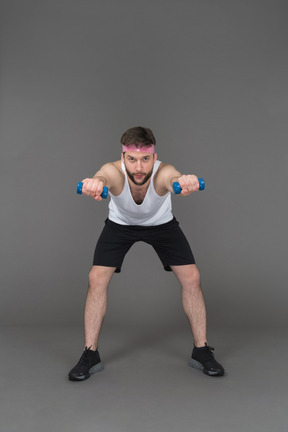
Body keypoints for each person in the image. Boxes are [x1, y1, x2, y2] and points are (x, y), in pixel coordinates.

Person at [68, 126, 224, 381]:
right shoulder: (113, 171)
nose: (138, 167)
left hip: (161, 226)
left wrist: (184, 182)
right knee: (96, 278)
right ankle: (90, 353)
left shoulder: (163, 172)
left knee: (192, 277)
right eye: (131, 159)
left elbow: (173, 180)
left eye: (145, 159)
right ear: (123, 157)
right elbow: (102, 177)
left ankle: (201, 350)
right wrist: (94, 183)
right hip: (120, 227)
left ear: (154, 156)